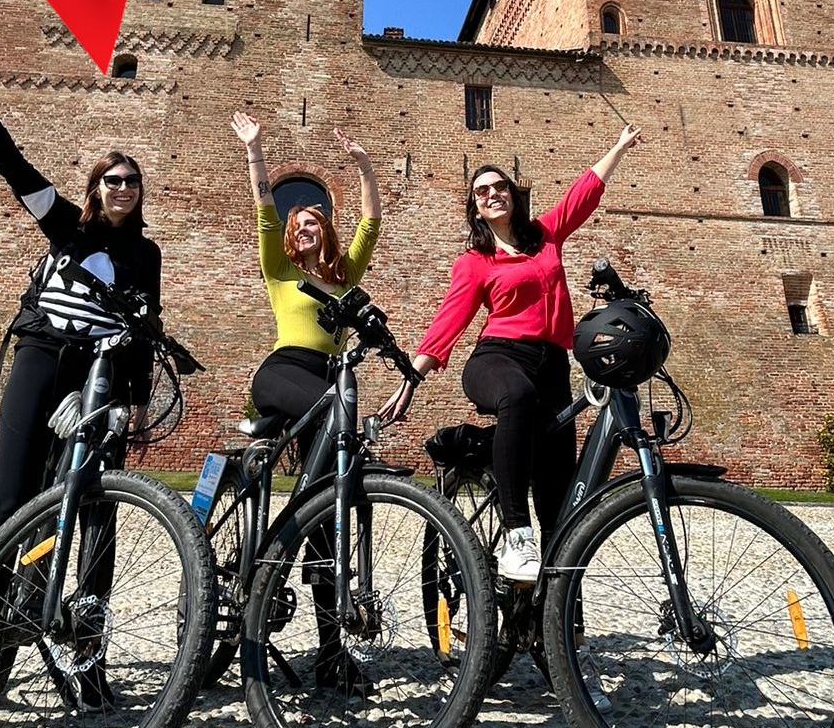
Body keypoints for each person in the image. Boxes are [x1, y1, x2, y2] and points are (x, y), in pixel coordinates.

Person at [0, 44, 162, 712]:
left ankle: (88, 653)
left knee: (98, 512)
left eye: (132, 181)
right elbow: (13, 167)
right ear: (95, 187)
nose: (122, 187)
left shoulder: (145, 252)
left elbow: (147, 330)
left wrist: (137, 401)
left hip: (98, 376)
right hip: (42, 357)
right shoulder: (65, 223)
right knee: (9, 503)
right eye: (112, 179)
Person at [380, 125, 642, 584]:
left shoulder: (544, 236)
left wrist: (616, 147)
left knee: (558, 489)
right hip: (498, 359)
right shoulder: (475, 262)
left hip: (554, 367)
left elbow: (582, 196)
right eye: (482, 191)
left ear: (513, 196)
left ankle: (561, 614)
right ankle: (516, 533)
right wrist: (412, 376)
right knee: (516, 397)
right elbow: (449, 322)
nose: (493, 194)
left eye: (500, 186)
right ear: (476, 209)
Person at [230, 110, 381, 692]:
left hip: (331, 380)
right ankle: (284, 545)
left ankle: (329, 648)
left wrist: (364, 166)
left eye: (317, 220)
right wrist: (256, 151)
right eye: (302, 223)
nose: (308, 227)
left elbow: (370, 220)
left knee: (333, 507)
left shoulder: (343, 278)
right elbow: (264, 211)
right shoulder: (280, 270)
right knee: (341, 427)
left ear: (327, 230)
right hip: (284, 372)